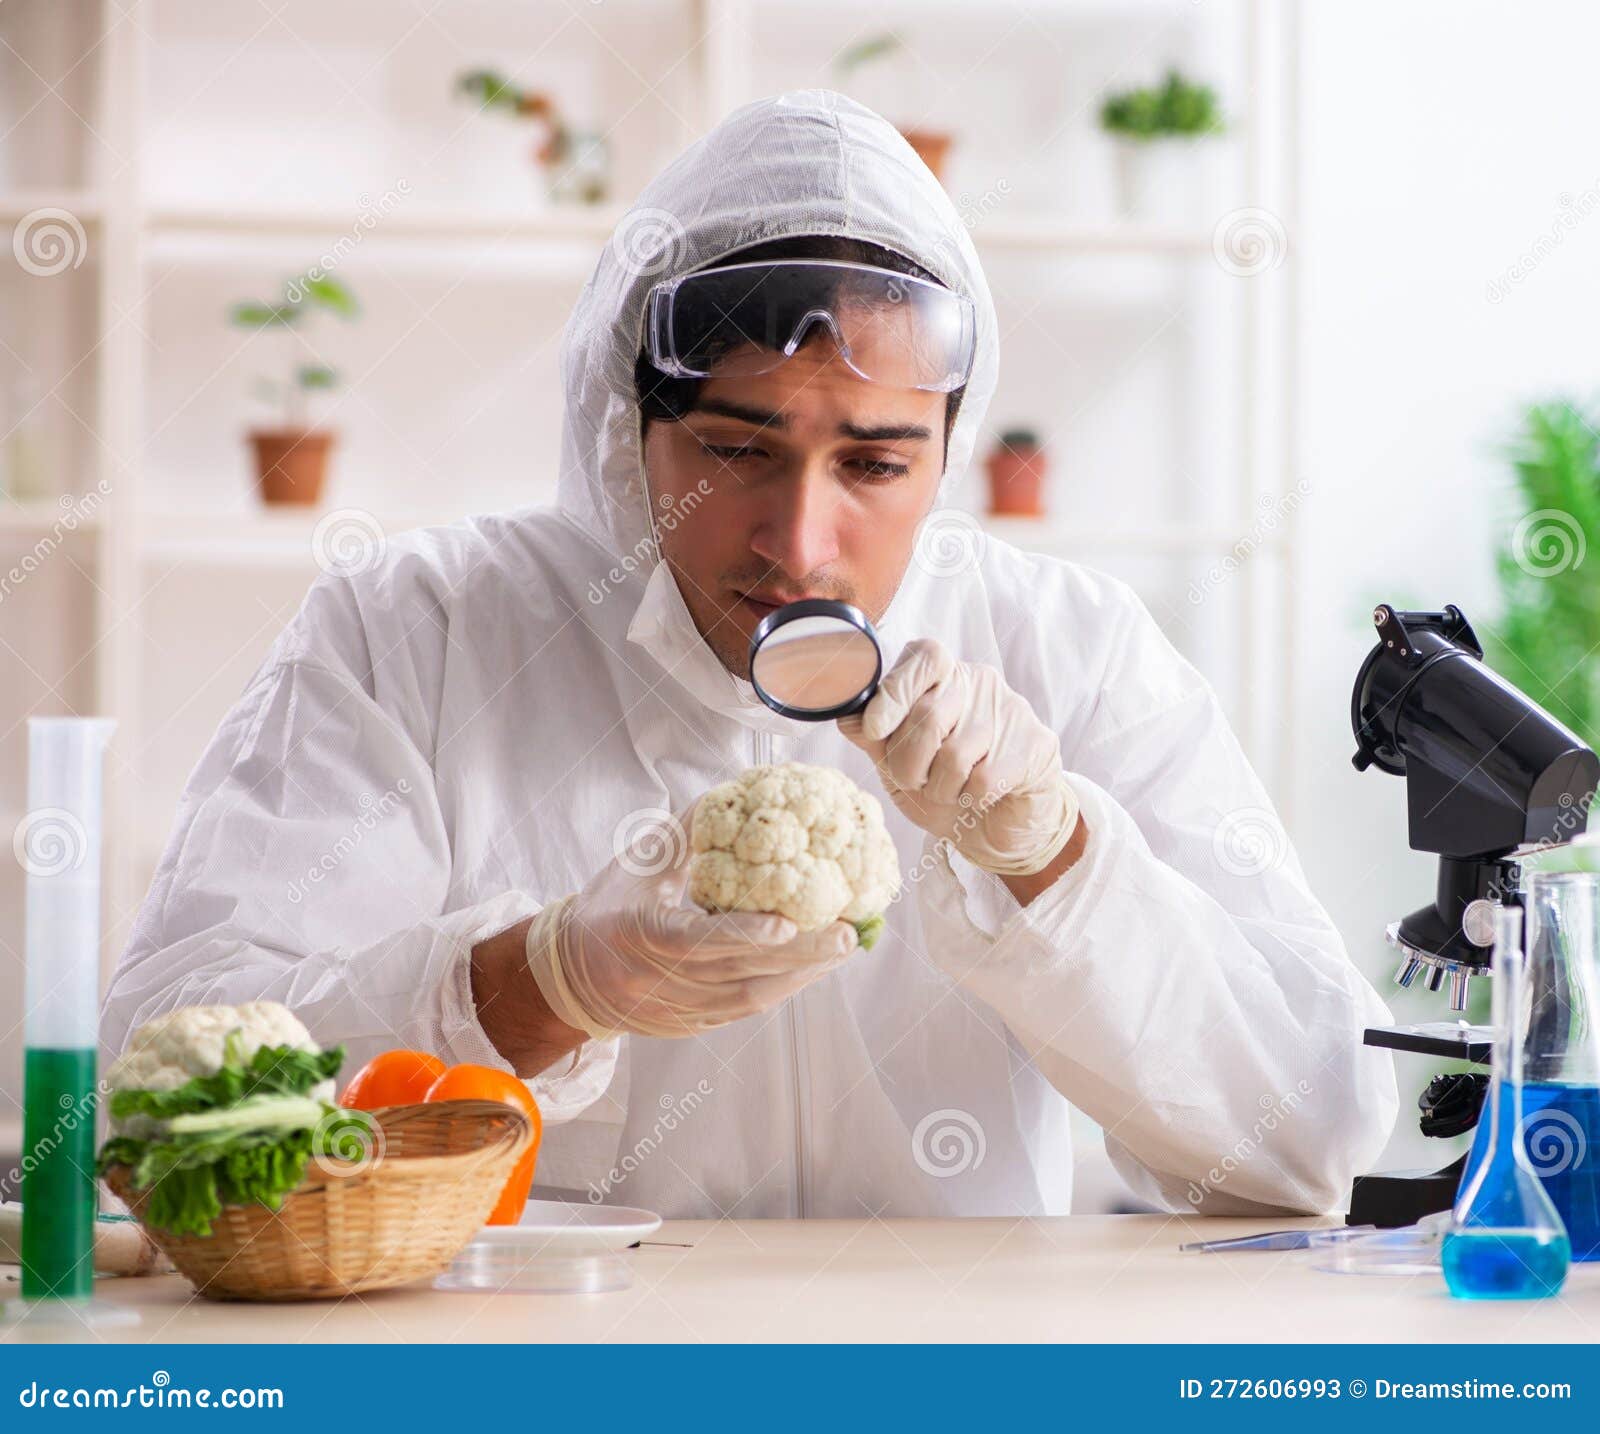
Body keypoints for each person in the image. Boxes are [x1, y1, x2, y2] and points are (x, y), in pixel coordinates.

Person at [102, 91, 1397, 1218]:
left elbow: (1310, 1142)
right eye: (737, 449)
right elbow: (149, 1104)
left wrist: (1059, 859)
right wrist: (530, 983)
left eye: (877, 463)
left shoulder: (1074, 649)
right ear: (629, 429)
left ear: (949, 450)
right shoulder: (419, 629)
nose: (801, 537)